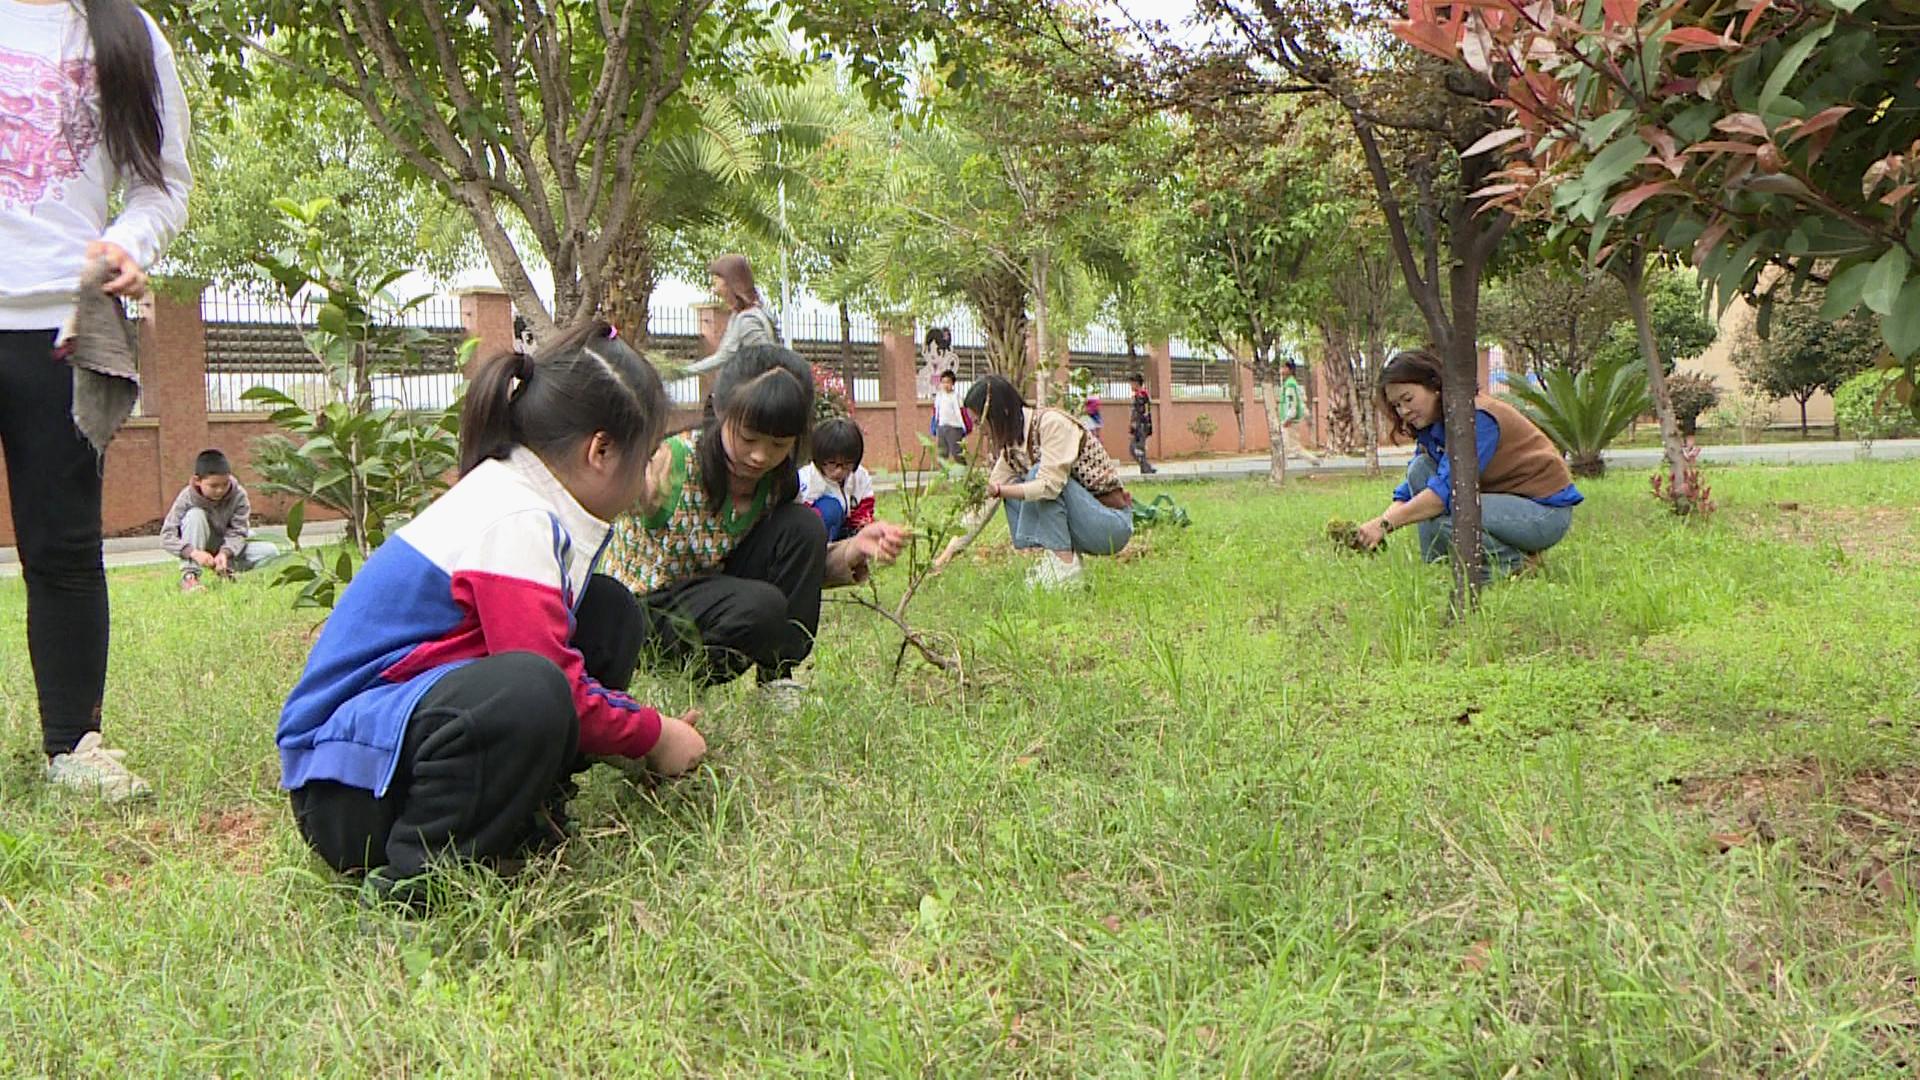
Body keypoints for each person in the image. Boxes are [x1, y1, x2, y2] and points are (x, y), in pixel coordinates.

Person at [277, 324, 706, 902]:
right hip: (347, 792)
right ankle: (418, 878)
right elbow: (557, 684)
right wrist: (654, 735)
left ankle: (521, 816)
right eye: (648, 455)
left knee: (609, 612)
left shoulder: (531, 498)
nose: (652, 474)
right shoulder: (515, 514)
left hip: (393, 746)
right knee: (534, 686)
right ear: (600, 450)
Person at [3, 0, 192, 800]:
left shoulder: (127, 32)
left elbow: (161, 185)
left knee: (66, 547)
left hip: (61, 325)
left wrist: (130, 243)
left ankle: (73, 747)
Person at [605, 345, 906, 697]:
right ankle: (677, 677)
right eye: (747, 438)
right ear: (720, 410)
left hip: (713, 597)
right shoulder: (669, 464)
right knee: (762, 607)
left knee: (803, 527)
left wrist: (854, 547)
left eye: (779, 444)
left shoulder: (777, 484)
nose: (760, 456)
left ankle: (777, 677)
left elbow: (793, 571)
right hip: (641, 613)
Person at [1355, 348, 1582, 573]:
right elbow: (1410, 491)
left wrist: (1384, 525)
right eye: (1396, 405)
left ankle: (1514, 563)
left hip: (1543, 512)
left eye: (1408, 399)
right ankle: (1437, 566)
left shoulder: (1475, 418)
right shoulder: (1434, 424)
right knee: (1419, 469)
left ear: (1435, 386)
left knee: (1445, 519)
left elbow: (1442, 495)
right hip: (1501, 501)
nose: (1403, 410)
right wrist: (1377, 526)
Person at [938, 374, 1132, 590]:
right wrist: (945, 556)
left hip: (1110, 525)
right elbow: (984, 504)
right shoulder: (1012, 451)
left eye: (981, 423)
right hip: (1083, 523)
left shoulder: (1051, 424)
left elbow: (1048, 487)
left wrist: (1001, 490)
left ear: (999, 414)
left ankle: (1065, 566)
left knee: (1036, 478)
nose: (980, 432)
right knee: (1015, 489)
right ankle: (1061, 561)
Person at [160, 448, 280, 592]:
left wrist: (225, 553)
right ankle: (190, 578)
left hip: (228, 545)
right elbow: (167, 536)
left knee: (270, 552)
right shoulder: (186, 497)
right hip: (199, 544)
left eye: (225, 484)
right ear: (198, 481)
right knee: (195, 515)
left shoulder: (239, 495)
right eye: (213, 486)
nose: (220, 490)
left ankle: (227, 572)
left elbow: (239, 531)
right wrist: (193, 552)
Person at [684, 253, 778, 375]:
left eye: (716, 282)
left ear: (730, 283)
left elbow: (763, 363)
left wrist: (683, 372)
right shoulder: (742, 315)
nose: (715, 290)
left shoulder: (748, 320)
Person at [798, 418, 876, 542]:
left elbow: (865, 507)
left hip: (848, 531)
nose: (839, 471)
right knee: (830, 508)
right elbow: (801, 516)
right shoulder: (807, 478)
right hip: (818, 531)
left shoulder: (860, 476)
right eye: (832, 463)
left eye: (847, 464)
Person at [1279, 360, 1324, 466]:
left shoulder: (1290, 385)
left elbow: (1292, 403)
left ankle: (1282, 468)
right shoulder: (1292, 383)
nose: (1281, 370)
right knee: (1288, 446)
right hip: (1290, 420)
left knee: (1289, 447)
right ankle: (1313, 460)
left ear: (1290, 370)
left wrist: (1288, 418)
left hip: (1290, 421)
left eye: (1284, 368)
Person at [930, 369, 970, 462]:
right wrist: (935, 426)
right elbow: (936, 413)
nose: (945, 385)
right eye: (943, 382)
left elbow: (962, 413)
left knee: (957, 453)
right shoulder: (939, 396)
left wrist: (965, 427)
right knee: (942, 454)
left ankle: (963, 474)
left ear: (953, 383)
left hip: (955, 428)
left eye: (948, 382)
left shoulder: (956, 397)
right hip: (942, 427)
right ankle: (944, 475)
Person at [1127, 372, 1157, 474]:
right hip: (1139, 426)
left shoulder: (1141, 395)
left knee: (1137, 448)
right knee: (1135, 449)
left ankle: (1146, 469)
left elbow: (1140, 413)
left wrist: (1134, 428)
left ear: (1136, 383)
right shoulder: (1139, 395)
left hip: (1141, 426)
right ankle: (1146, 468)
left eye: (1131, 383)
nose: (1130, 386)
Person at [918, 326, 956, 399]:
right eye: (930, 349)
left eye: (937, 350)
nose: (933, 354)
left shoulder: (945, 370)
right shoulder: (925, 371)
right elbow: (923, 387)